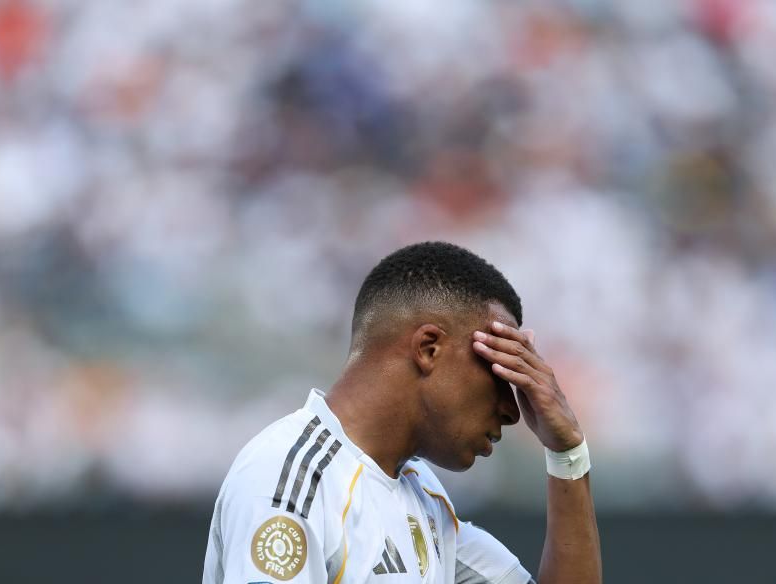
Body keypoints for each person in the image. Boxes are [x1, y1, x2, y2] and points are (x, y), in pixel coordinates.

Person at [203, 241, 601, 584]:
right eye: (497, 373)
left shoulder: (424, 496)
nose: (512, 411)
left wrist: (567, 452)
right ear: (429, 348)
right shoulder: (290, 477)